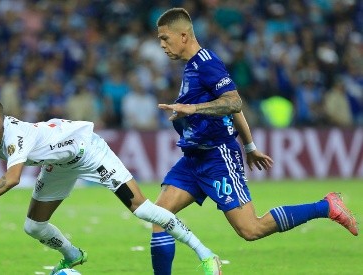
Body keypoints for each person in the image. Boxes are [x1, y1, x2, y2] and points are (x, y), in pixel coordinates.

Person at [0, 96, 219, 275]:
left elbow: (12, 179)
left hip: (89, 151)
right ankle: (72, 256)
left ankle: (206, 255)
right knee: (33, 225)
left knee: (141, 208)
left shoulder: (15, 136)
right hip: (58, 165)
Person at [150, 7, 359, 275]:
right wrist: (250, 146)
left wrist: (192, 110)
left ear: (183, 35)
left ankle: (327, 206)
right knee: (158, 216)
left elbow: (234, 102)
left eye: (165, 38)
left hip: (217, 158)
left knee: (251, 229)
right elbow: (234, 109)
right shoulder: (191, 67)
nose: (162, 45)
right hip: (193, 158)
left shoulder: (207, 64)